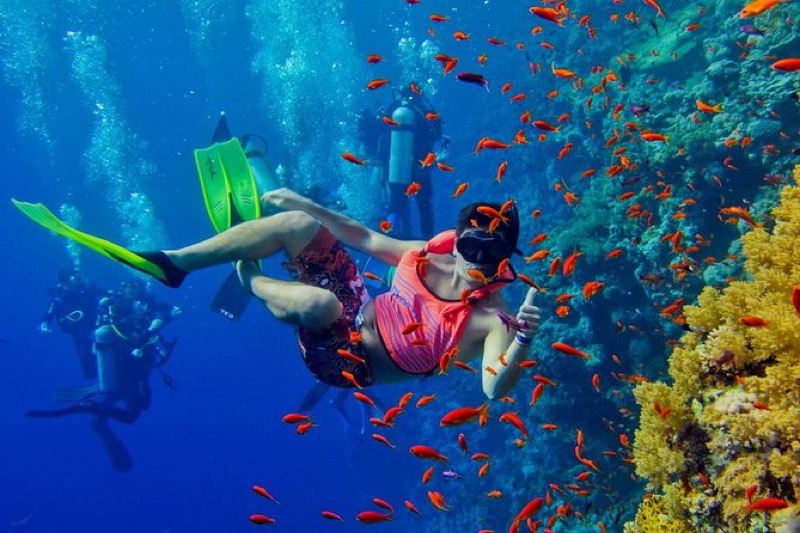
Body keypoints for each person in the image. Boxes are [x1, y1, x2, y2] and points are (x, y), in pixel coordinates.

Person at [14, 190, 540, 399]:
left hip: (346, 360)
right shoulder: (434, 250)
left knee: (319, 305)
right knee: (294, 223)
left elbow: (495, 389)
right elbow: (368, 239)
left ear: (506, 260)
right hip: (357, 302)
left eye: (492, 255)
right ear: (460, 238)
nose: (476, 263)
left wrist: (521, 344)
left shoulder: (492, 320)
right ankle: (174, 263)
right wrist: (304, 205)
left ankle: (250, 280)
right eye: (472, 245)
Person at [26, 278, 181, 471]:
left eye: (135, 286)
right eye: (129, 286)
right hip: (132, 371)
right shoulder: (117, 307)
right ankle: (92, 409)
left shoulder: (140, 305)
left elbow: (170, 313)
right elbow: (139, 326)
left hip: (126, 370)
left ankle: (97, 413)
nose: (131, 290)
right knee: (130, 415)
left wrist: (164, 318)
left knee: (131, 405)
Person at [358, 87, 449, 238]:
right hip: (420, 169)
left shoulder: (392, 110)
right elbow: (432, 137)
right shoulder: (422, 111)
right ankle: (429, 243)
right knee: (425, 206)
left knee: (396, 206)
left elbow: (380, 140)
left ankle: (389, 236)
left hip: (393, 168)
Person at [39, 268, 102, 379]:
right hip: (78, 334)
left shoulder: (86, 290)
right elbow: (49, 313)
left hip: (96, 328)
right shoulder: (58, 298)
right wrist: (45, 324)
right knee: (89, 369)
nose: (78, 281)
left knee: (106, 352)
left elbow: (103, 293)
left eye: (79, 278)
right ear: (66, 281)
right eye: (75, 278)